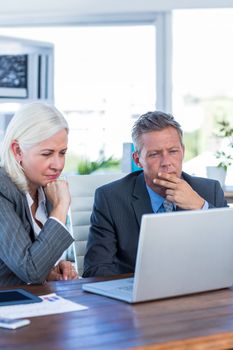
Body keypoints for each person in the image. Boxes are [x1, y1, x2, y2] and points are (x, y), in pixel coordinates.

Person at [83, 111, 228, 278]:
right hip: (137, 296)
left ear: (183, 151)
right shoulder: (110, 198)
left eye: (173, 151)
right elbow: (95, 270)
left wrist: (201, 207)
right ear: (138, 160)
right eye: (154, 154)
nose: (166, 162)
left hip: (198, 291)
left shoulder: (209, 191)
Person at [0, 102, 78, 286]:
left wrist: (53, 269)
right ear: (18, 150)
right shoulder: (3, 190)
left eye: (62, 153)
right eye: (47, 154)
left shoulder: (45, 188)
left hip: (36, 301)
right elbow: (30, 270)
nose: (58, 165)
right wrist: (60, 208)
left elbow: (37, 262)